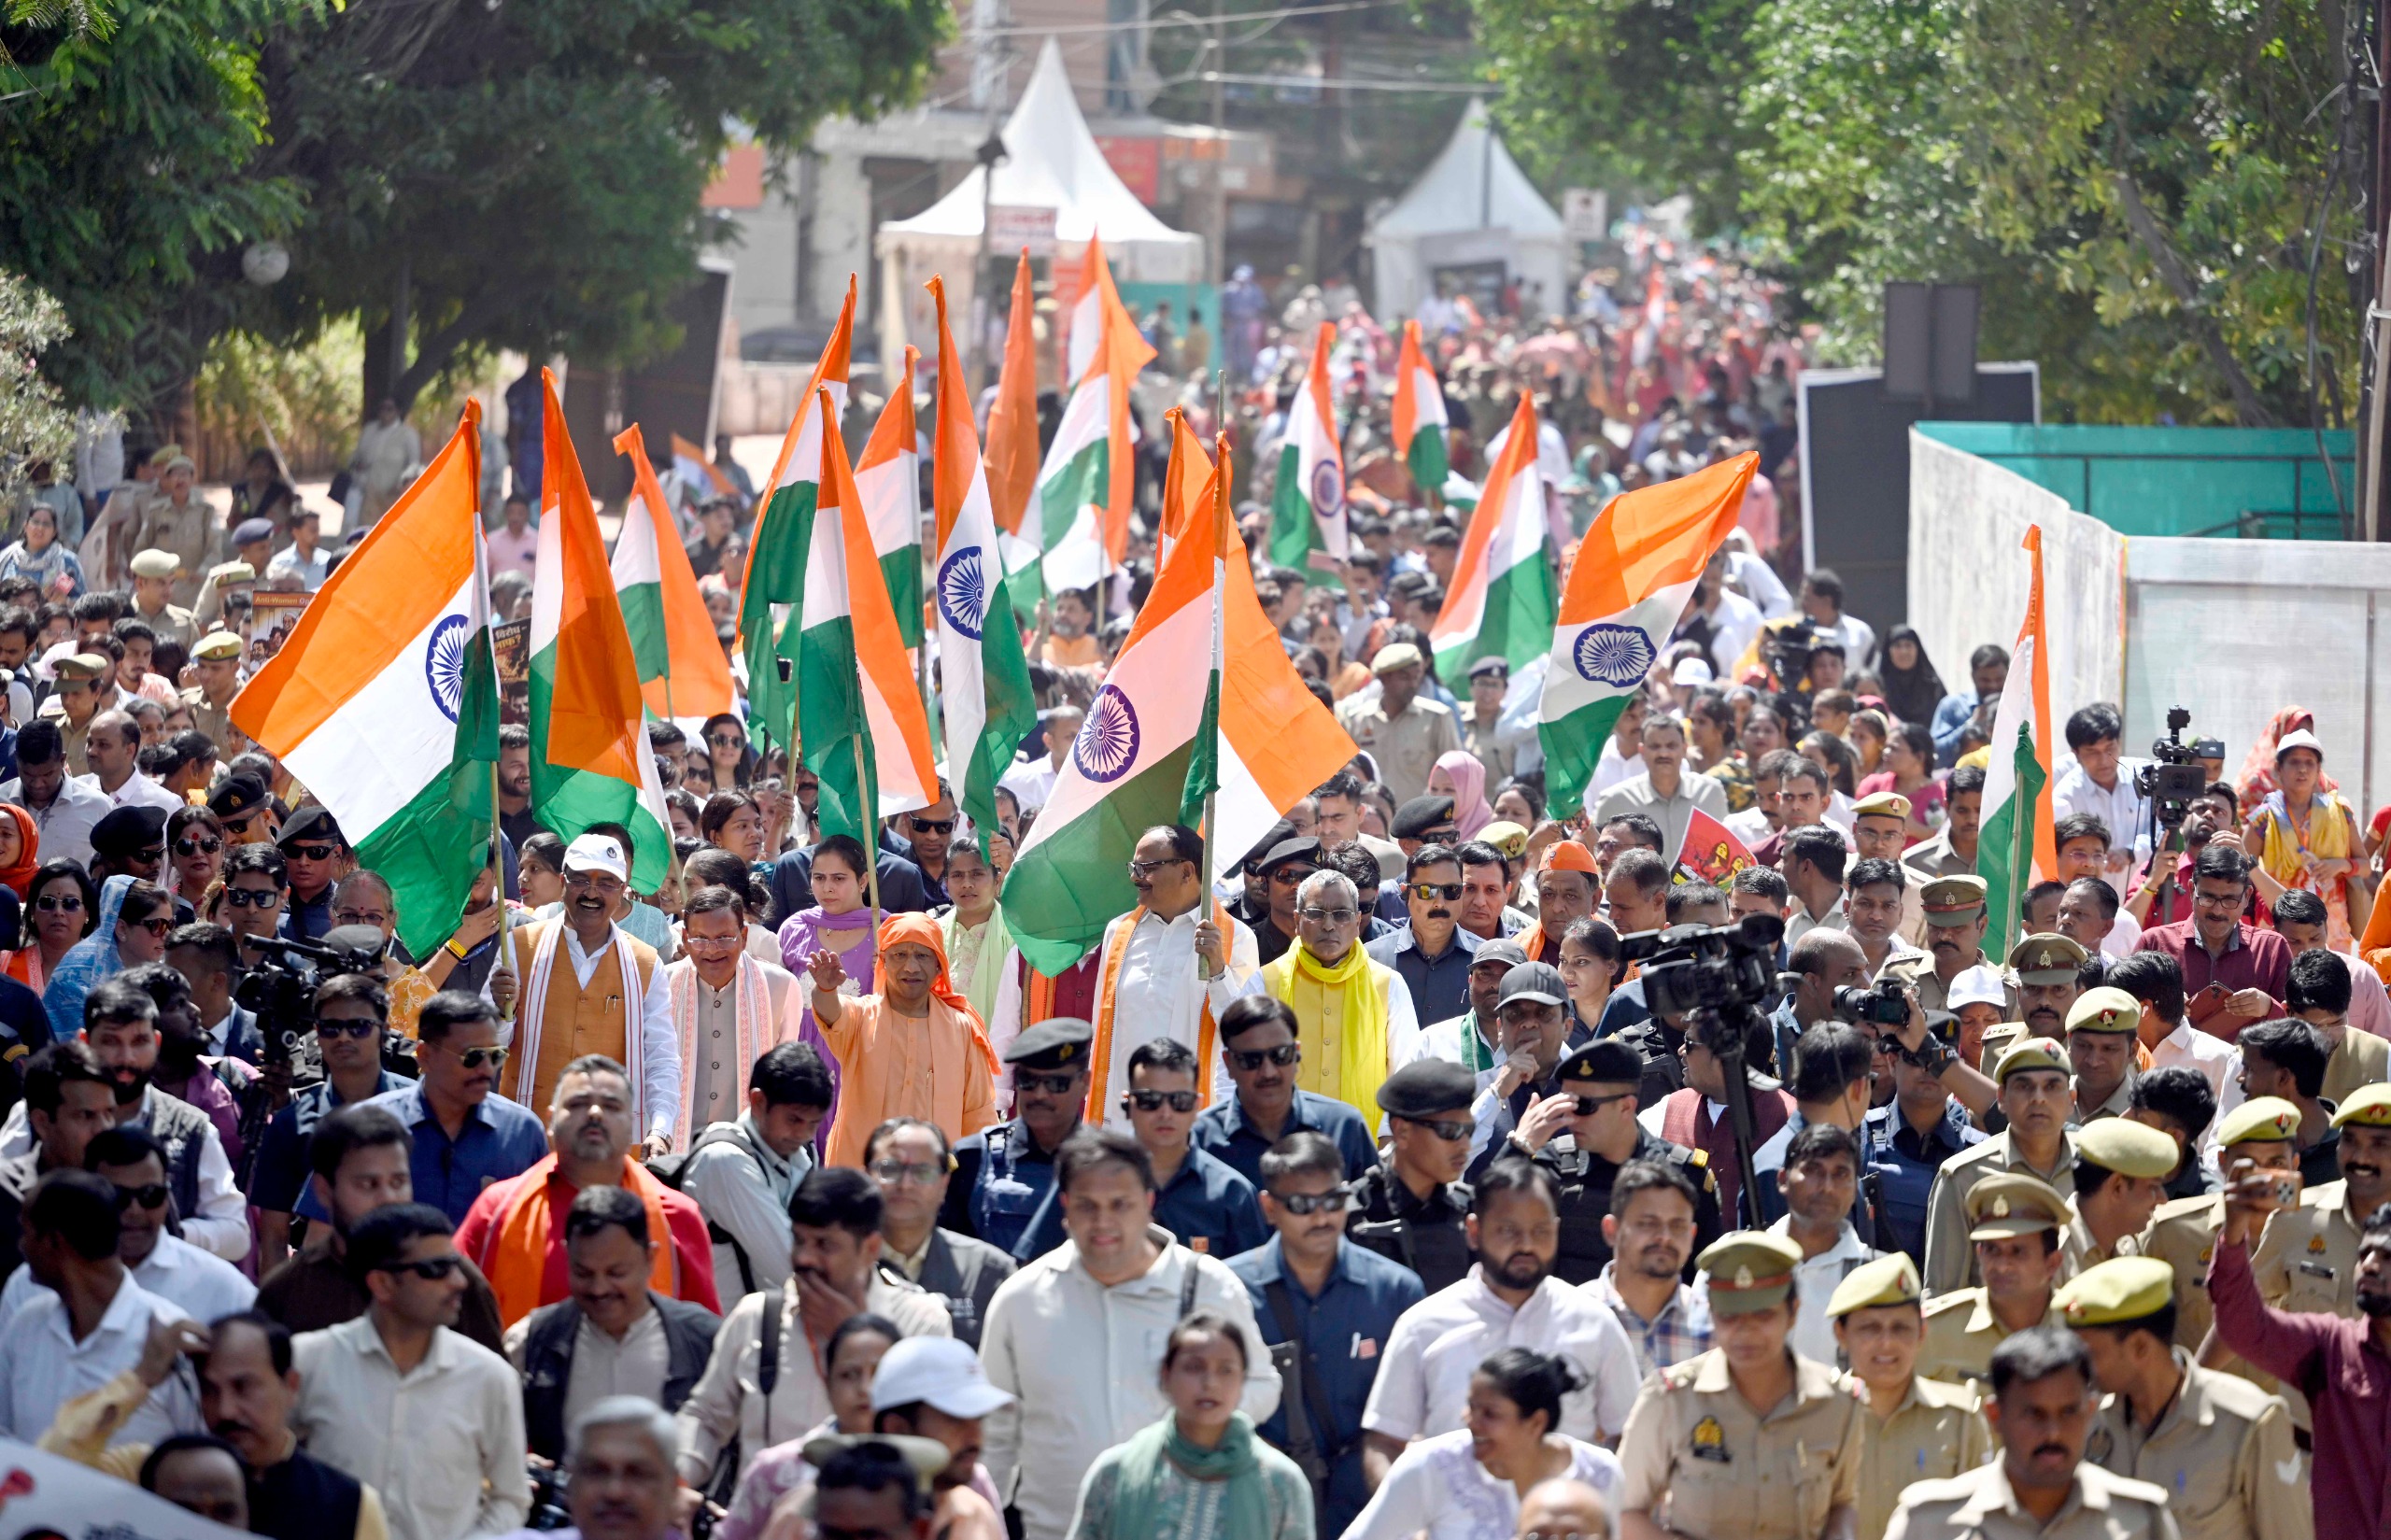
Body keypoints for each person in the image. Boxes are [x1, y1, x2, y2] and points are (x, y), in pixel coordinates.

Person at [978, 1127, 1280, 1540]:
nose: (1104, 1222)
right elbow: (995, 1432)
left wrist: (1204, 1420)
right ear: (1065, 1206)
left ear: (1149, 1204)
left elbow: (1262, 1384)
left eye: (1121, 1205)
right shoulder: (1021, 1299)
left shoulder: (1208, 1286)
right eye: (1087, 1206)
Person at [676, 1166, 952, 1484]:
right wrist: (679, 1483)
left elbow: (927, 1439)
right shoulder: (757, 1318)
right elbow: (706, 1417)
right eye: (798, 1240)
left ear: (870, 1249)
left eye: (824, 1245)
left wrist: (851, 1337)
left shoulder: (921, 1321)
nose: (805, 1258)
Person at [1362, 1158, 1639, 1469]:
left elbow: (1628, 1436)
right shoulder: (1423, 1326)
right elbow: (1384, 1441)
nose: (1526, 1245)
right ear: (1474, 1231)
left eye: (1540, 1231)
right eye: (1509, 1231)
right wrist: (1409, 1514)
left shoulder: (1594, 1323)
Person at [290, 1203, 531, 1540]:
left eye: (457, 1266)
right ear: (383, 1284)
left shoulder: (490, 1378)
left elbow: (511, 1498)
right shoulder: (307, 1362)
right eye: (437, 1269)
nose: (459, 1281)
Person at [1613, 1230, 1865, 1540]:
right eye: (1729, 1317)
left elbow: (1843, 1502)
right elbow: (1623, 1511)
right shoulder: (1670, 1400)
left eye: (1763, 1315)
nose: (1745, 1332)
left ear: (1793, 1313)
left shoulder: (1837, 1403)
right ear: (1712, 1316)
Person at [1231, 1129, 1422, 1533]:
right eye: (1302, 1204)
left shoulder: (1396, 1290)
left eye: (1333, 1201)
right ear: (1269, 1208)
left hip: (1369, 1513)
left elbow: (1416, 1412)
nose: (1321, 1218)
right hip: (1263, 1511)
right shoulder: (1229, 1290)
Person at [2051, 1255, 2307, 1540]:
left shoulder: (2246, 1423)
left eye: (2089, 1355)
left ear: (2139, 1347)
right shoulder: (2089, 1422)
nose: (2077, 1368)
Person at [2208, 1145, 2391, 1535]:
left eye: (2388, 1256)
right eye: (2367, 1253)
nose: (2371, 1265)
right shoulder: (2330, 1348)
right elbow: (2243, 1327)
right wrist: (2236, 1230)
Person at [457, 1053, 718, 1325]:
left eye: (611, 1106)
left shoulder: (675, 1217)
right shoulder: (498, 1210)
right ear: (550, 1121)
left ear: (632, 1125)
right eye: (579, 1103)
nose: (595, 1113)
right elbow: (455, 1319)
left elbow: (701, 1338)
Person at [256, 1104, 509, 1352]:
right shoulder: (289, 1292)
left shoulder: (455, 1279)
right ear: (324, 1190)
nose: (388, 1197)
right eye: (368, 1184)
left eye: (398, 1182)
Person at [1886, 1328, 2179, 1540]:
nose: (2053, 1433)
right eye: (2033, 1415)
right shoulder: (1930, 1523)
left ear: (2091, 1411)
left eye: (2068, 1412)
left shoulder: (2141, 1519)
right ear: (1996, 1417)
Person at [504, 1185, 724, 1462]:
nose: (599, 1289)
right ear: (566, 1256)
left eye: (616, 1273)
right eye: (583, 1273)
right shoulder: (531, 1342)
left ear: (650, 1259)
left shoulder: (705, 1341)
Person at [492, 833, 680, 1148]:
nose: (592, 893)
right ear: (564, 882)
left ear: (622, 890)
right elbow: (490, 1047)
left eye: (606, 883)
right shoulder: (519, 946)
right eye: (581, 880)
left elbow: (660, 1056)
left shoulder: (645, 963)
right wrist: (500, 1011)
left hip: (608, 1144)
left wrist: (660, 1129)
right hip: (527, 1136)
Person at [1066, 1309, 1312, 1539]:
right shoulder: (1115, 1473)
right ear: (1166, 1375)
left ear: (1242, 1380)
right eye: (1194, 1368)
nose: (1210, 1383)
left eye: (1226, 1370)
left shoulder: (1280, 1482)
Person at [0, 1169, 201, 1448]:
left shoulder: (170, 1341)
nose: (22, 1245)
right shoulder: (24, 1326)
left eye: (28, 1233)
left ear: (55, 1242)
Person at [1502, 1038, 1721, 1283]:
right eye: (1566, 1104)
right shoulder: (1550, 1167)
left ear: (1626, 1107)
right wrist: (1519, 1146)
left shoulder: (1685, 1175)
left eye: (1583, 1106)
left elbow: (1704, 1279)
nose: (1571, 1119)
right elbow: (1490, 1220)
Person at [1347, 1347, 1624, 1540]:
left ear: (1536, 1422)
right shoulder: (1430, 1465)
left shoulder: (1601, 1474)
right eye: (1471, 1407)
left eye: (1490, 1414)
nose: (1471, 1421)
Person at [0, 1124, 252, 1324]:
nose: (134, 1211)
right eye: (117, 1197)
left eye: (150, 1195)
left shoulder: (224, 1291)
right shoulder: (31, 1288)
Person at [808, 912, 997, 1169]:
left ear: (939, 966)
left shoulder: (962, 1028)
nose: (911, 967)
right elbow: (831, 1013)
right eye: (900, 955)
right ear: (883, 961)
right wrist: (826, 990)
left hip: (929, 1184)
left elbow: (979, 1113)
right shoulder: (862, 1015)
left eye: (922, 956)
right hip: (860, 1179)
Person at [1826, 1254, 1993, 1540]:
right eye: (1870, 1328)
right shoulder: (1813, 1415)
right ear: (1841, 1334)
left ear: (1922, 1332)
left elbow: (1986, 1521)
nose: (1887, 1343)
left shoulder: (1960, 1418)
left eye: (1901, 1328)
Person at [249, 972, 409, 1265]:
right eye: (330, 1028)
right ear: (316, 1033)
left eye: (359, 1027)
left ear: (384, 1031)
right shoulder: (289, 1124)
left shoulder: (419, 1106)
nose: (344, 1037)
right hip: (322, 1283)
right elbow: (273, 1236)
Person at [358, 990, 548, 1225]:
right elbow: (324, 1234)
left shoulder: (523, 1132)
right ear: (425, 1056)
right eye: (473, 1057)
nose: (487, 1070)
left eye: (495, 1056)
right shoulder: (369, 1128)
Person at [1920, 1038, 2078, 1293]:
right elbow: (1942, 1298)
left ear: (2072, 1099)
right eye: (2024, 1086)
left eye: (2052, 1086)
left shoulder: (2096, 1165)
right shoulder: (1962, 1177)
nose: (2038, 1098)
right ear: (2001, 1098)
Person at [1259, 868, 1419, 1117]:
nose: (1329, 925)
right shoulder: (1265, 983)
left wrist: (1389, 1133)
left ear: (1357, 922)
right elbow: (1234, 1070)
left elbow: (1407, 1070)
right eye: (1315, 913)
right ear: (1297, 921)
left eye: (1341, 914)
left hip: (1364, 1143)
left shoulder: (1388, 984)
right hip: (1282, 1144)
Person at [678, 1039, 830, 1298]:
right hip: (722, 1331)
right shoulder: (723, 1161)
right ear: (758, 1102)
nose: (803, 1133)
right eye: (794, 1119)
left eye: (813, 1124)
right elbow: (788, 1264)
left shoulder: (799, 1157)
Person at [1191, 996, 1379, 1190]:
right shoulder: (1199, 1139)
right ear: (1228, 1062)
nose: (1268, 1072)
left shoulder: (1344, 1126)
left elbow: (1377, 1213)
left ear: (1296, 1053)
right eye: (1251, 1059)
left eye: (1280, 1055)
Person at [941, 1017, 1093, 1256]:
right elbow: (947, 1257)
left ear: (1085, 1083)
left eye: (1056, 1083)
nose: (1040, 1094)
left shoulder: (1109, 1163)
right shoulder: (973, 1157)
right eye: (1028, 1081)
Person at [667, 883, 799, 1146]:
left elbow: (784, 1075)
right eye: (700, 939)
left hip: (747, 1144)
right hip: (677, 1143)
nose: (713, 949)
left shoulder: (780, 986)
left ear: (744, 936)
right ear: (685, 939)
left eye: (724, 937)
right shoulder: (663, 985)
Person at [1917, 1173, 2071, 1387]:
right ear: (1979, 1253)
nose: (2001, 1266)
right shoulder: (1936, 1330)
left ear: (2052, 1263)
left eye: (2018, 1252)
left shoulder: (2080, 1328)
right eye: (1992, 1250)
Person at [1347, 1057, 1480, 1293]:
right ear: (1402, 1131)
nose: (1465, 1146)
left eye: (1469, 1130)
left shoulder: (1471, 1210)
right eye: (1450, 1131)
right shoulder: (1350, 1216)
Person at [2134, 845, 2292, 1033]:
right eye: (2208, 899)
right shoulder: (2154, 943)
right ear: (2192, 890)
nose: (2218, 911)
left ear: (2247, 896)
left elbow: (2298, 1025)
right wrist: (2160, 1008)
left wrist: (2268, 1007)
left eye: (2229, 900)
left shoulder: (2272, 948)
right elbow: (2124, 1013)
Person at [1764, 1123, 1879, 1363]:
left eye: (1841, 1174)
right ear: (1783, 1179)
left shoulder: (1877, 1276)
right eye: (1814, 1170)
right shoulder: (1741, 1260)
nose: (1827, 1187)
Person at [2244, 727, 2368, 949]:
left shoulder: (2340, 812)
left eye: (2309, 762)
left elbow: (2365, 866)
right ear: (2279, 768)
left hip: (2331, 925)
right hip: (2279, 922)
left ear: (2319, 768)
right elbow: (2242, 867)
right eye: (2294, 762)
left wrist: (2339, 864)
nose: (2302, 769)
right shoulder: (2264, 817)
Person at [1367, 842, 1482, 1033]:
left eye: (1451, 891)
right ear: (1405, 893)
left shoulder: (1484, 962)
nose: (1439, 903)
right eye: (1427, 891)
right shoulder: (1371, 959)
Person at [1592, 713, 1731, 866]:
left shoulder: (1710, 792)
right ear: (1642, 751)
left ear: (1684, 749)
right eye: (1655, 746)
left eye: (1671, 746)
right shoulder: (1615, 800)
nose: (1664, 753)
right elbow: (1597, 855)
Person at [2235, 1018, 2342, 1188]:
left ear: (2284, 1077)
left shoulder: (2350, 1151)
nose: (2239, 1077)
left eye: (2249, 1069)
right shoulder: (2251, 1138)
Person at [2060, 1117, 2176, 1274]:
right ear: (2117, 1187)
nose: (2163, 1199)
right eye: (2153, 1187)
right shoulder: (2051, 1255)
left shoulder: (2129, 1245)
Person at [3, 719, 108, 869]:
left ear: (62, 760)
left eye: (47, 774)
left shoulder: (98, 808)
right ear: (16, 761)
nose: (38, 784)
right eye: (28, 774)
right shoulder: (2, 800)